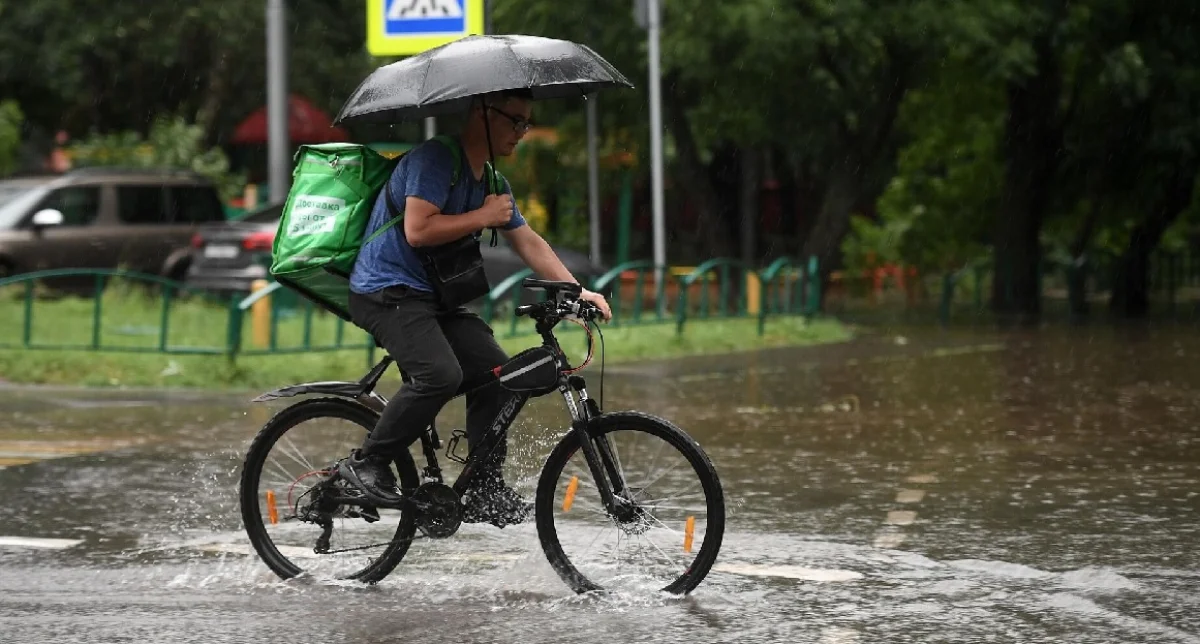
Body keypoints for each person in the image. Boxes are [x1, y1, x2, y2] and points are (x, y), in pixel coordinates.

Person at [340, 89, 612, 527]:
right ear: (483, 114)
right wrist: (483, 217)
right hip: (385, 290)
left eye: (527, 123)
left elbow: (528, 241)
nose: (522, 132)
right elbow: (418, 230)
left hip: (432, 299)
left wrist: (578, 292)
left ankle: (484, 489)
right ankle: (367, 464)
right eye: (516, 121)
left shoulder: (490, 183)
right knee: (439, 375)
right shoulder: (434, 160)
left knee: (499, 377)